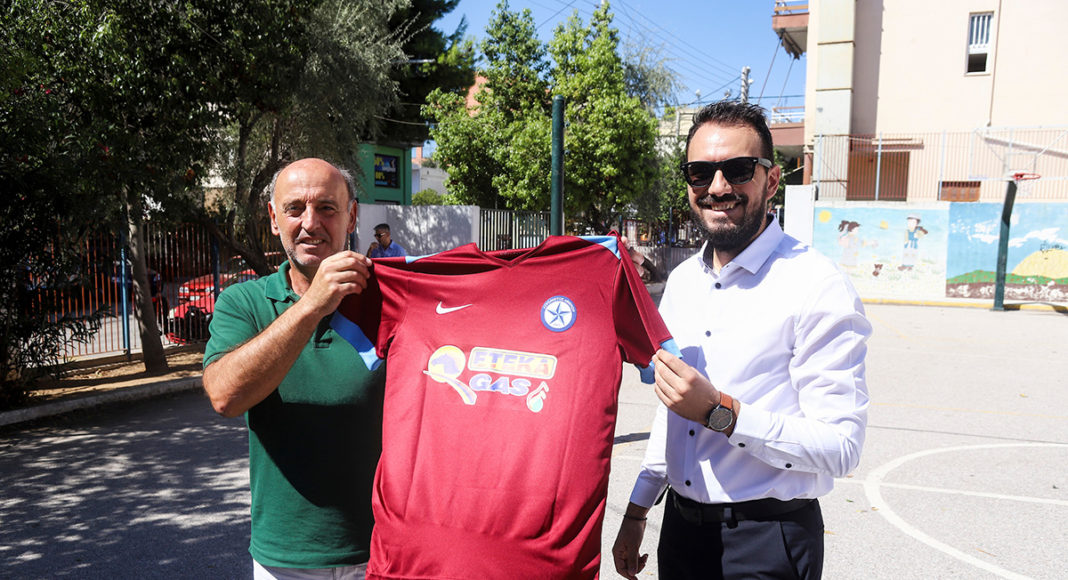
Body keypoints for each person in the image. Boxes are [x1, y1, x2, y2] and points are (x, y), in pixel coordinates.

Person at [613, 101, 871, 580]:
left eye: (738, 170)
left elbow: (841, 447)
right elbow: (673, 407)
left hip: (766, 541)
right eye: (700, 172)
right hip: (680, 533)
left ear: (771, 181)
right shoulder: (683, 281)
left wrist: (720, 412)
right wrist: (638, 509)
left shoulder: (817, 286)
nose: (717, 187)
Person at [202, 158, 383, 579]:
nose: (310, 223)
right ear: (273, 218)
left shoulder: (391, 301)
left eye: (327, 208)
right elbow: (225, 396)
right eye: (295, 209)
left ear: (352, 215)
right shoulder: (244, 303)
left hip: (386, 551)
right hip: (286, 560)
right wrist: (313, 304)